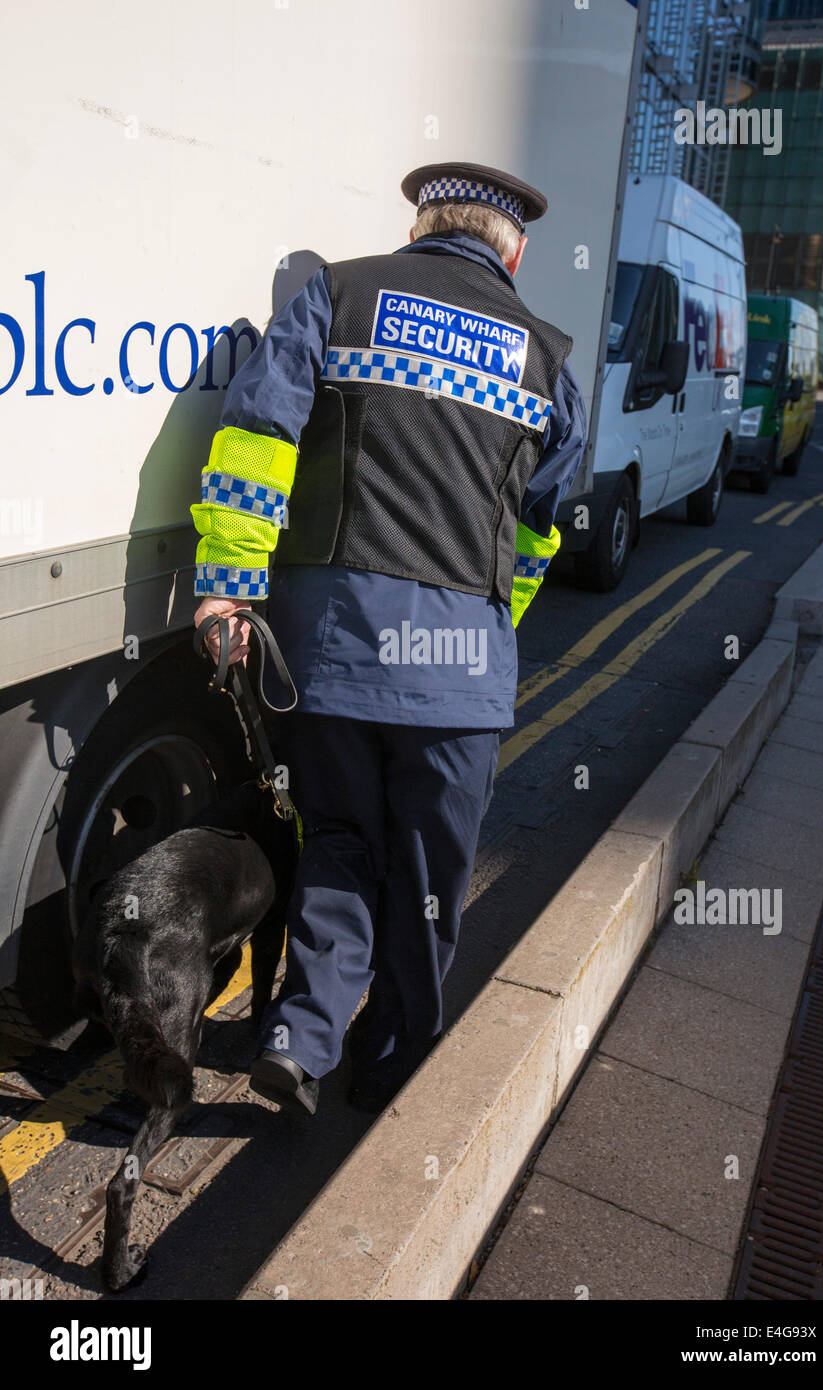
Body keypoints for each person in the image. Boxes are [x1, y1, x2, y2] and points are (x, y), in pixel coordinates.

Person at [191, 162, 586, 1115]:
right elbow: (539, 528)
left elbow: (255, 439)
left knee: (336, 841)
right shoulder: (548, 361)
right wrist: (487, 634)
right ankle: (392, 1059)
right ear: (515, 250)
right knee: (426, 879)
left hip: (334, 656)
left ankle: (301, 1035)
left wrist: (228, 590)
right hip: (459, 681)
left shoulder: (337, 293)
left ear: (417, 227)